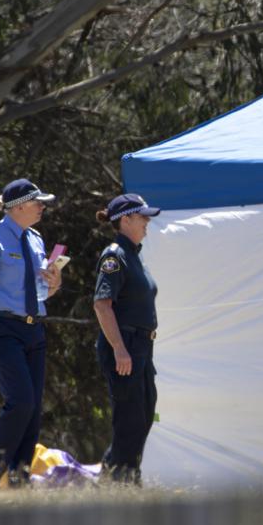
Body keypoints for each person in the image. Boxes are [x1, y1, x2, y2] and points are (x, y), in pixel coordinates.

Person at [0, 178, 62, 483]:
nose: (42, 207)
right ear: (18, 207)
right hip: (1, 329)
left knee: (32, 409)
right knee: (19, 401)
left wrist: (55, 282)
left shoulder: (35, 239)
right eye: (38, 203)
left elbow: (41, 293)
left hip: (34, 330)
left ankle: (20, 479)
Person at [92, 193, 162, 485]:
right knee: (130, 420)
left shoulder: (133, 254)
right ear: (125, 220)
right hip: (127, 347)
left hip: (141, 348)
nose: (147, 222)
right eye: (142, 216)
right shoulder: (115, 256)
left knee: (143, 415)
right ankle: (116, 482)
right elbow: (102, 304)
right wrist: (119, 348)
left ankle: (125, 478)